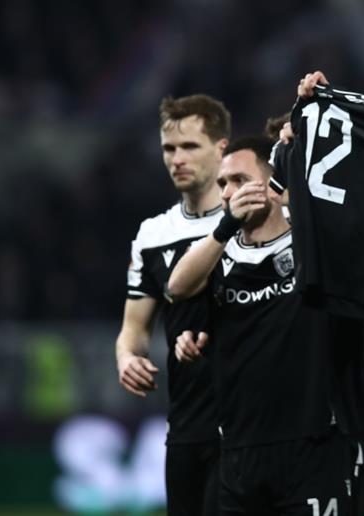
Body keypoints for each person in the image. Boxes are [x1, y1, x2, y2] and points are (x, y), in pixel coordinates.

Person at [167, 136, 356, 516]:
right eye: (223, 183)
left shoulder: (311, 244)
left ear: (272, 184)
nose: (227, 192)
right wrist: (225, 227)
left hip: (312, 445)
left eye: (239, 180)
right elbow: (177, 287)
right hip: (237, 451)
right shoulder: (217, 253)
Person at [114, 94, 229, 516]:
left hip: (247, 425)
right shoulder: (153, 234)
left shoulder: (252, 220)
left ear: (220, 149)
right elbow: (133, 330)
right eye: (169, 148)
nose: (177, 159)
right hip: (185, 426)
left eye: (190, 146)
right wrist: (127, 358)